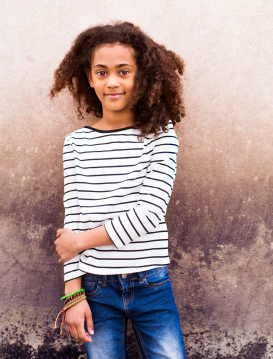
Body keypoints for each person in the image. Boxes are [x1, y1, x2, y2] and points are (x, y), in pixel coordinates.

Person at [50, 22, 186, 359]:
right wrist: (73, 295)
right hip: (96, 289)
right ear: (90, 77)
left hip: (151, 285)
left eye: (124, 71)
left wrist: (79, 242)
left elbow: (150, 213)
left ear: (141, 77)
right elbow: (74, 218)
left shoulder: (160, 135)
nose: (112, 81)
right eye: (102, 72)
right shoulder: (76, 144)